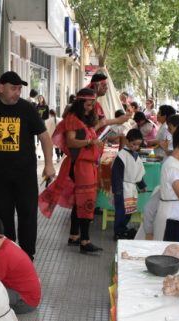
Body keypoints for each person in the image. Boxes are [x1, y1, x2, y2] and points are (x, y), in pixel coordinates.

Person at [0, 71, 55, 260]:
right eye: (13, 88)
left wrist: (49, 164)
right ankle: (8, 254)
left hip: (25, 176)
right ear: (1, 88)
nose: (17, 92)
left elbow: (45, 138)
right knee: (3, 217)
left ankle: (27, 256)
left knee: (28, 216)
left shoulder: (27, 109)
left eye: (19, 89)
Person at [38, 88, 104, 254]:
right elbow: (71, 142)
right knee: (86, 201)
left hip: (84, 165)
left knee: (78, 201)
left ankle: (74, 236)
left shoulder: (81, 119)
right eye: (88, 105)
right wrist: (90, 142)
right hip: (81, 166)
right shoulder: (73, 119)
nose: (90, 108)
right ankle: (85, 240)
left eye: (92, 105)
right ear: (81, 103)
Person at [112, 129, 147, 240]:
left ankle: (123, 229)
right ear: (127, 141)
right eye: (133, 144)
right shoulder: (121, 156)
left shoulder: (136, 155)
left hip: (131, 188)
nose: (136, 147)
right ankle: (118, 231)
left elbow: (138, 173)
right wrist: (117, 191)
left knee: (129, 211)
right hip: (122, 189)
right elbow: (116, 174)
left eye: (138, 145)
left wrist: (142, 185)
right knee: (121, 212)